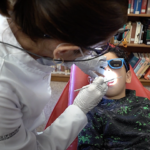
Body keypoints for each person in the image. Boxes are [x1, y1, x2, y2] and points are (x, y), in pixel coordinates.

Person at [0, 0, 128, 150]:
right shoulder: (4, 90)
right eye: (97, 48)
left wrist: (81, 57)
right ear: (63, 51)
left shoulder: (28, 14)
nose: (96, 53)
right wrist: (79, 109)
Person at [78, 47, 150, 150]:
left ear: (128, 76)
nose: (107, 70)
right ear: (92, 81)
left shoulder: (146, 105)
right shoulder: (92, 113)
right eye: (100, 67)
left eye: (115, 64)